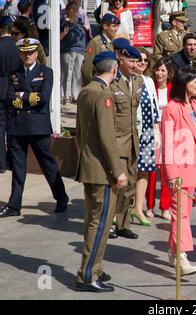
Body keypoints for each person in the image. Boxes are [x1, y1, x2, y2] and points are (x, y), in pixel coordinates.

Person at [75, 51, 128, 293]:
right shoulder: (104, 94)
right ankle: (87, 275)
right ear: (114, 69)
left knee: (93, 221)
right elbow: (107, 138)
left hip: (88, 166)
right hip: (102, 171)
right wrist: (118, 171)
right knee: (100, 224)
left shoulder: (86, 91)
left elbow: (80, 133)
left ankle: (94, 268)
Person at [0, 38, 68, 218]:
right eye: (24, 52)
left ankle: (61, 197)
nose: (27, 55)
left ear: (37, 53)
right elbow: (8, 98)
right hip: (17, 126)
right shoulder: (13, 74)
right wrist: (27, 99)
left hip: (38, 126)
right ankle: (14, 205)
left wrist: (20, 96)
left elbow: (43, 98)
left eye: (30, 52)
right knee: (18, 167)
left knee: (48, 164)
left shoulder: (46, 72)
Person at [161, 66, 196, 276]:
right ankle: (181, 255)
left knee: (184, 215)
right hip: (178, 172)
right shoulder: (171, 109)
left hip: (192, 170)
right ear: (185, 84)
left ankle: (173, 250)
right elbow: (167, 145)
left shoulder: (194, 105)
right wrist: (172, 175)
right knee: (180, 215)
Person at [108, 38, 142, 240]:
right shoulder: (112, 82)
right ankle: (110, 224)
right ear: (121, 60)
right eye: (131, 62)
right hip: (118, 142)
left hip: (133, 142)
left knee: (130, 186)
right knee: (116, 186)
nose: (135, 65)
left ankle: (123, 223)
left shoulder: (137, 81)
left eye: (137, 62)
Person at [131, 47, 161, 226]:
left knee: (145, 170)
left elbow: (154, 107)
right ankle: (121, 209)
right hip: (133, 131)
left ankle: (138, 207)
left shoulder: (149, 81)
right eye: (139, 59)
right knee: (130, 169)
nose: (142, 63)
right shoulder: (126, 79)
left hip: (148, 131)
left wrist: (156, 130)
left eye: (145, 60)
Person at [145, 57, 173, 220]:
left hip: (168, 132)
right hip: (151, 132)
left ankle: (165, 206)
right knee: (151, 171)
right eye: (157, 70)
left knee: (166, 172)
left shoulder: (173, 88)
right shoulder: (149, 87)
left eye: (163, 70)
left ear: (169, 73)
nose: (159, 73)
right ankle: (149, 206)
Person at [0, 16, 22, 174]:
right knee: (13, 128)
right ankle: (13, 161)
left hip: (1, 91)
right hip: (13, 91)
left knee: (0, 128)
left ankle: (1, 162)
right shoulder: (17, 48)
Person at [81, 13, 120, 87]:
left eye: (117, 26)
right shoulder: (96, 42)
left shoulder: (112, 41)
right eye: (114, 26)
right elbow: (87, 68)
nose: (116, 29)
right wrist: (95, 85)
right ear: (105, 26)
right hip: (99, 86)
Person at [60, 1, 86, 104]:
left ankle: (76, 94)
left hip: (80, 50)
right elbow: (61, 36)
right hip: (68, 50)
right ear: (67, 10)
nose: (75, 11)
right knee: (67, 73)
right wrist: (65, 32)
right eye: (73, 9)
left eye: (76, 9)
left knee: (77, 73)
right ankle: (67, 95)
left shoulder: (79, 21)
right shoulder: (64, 22)